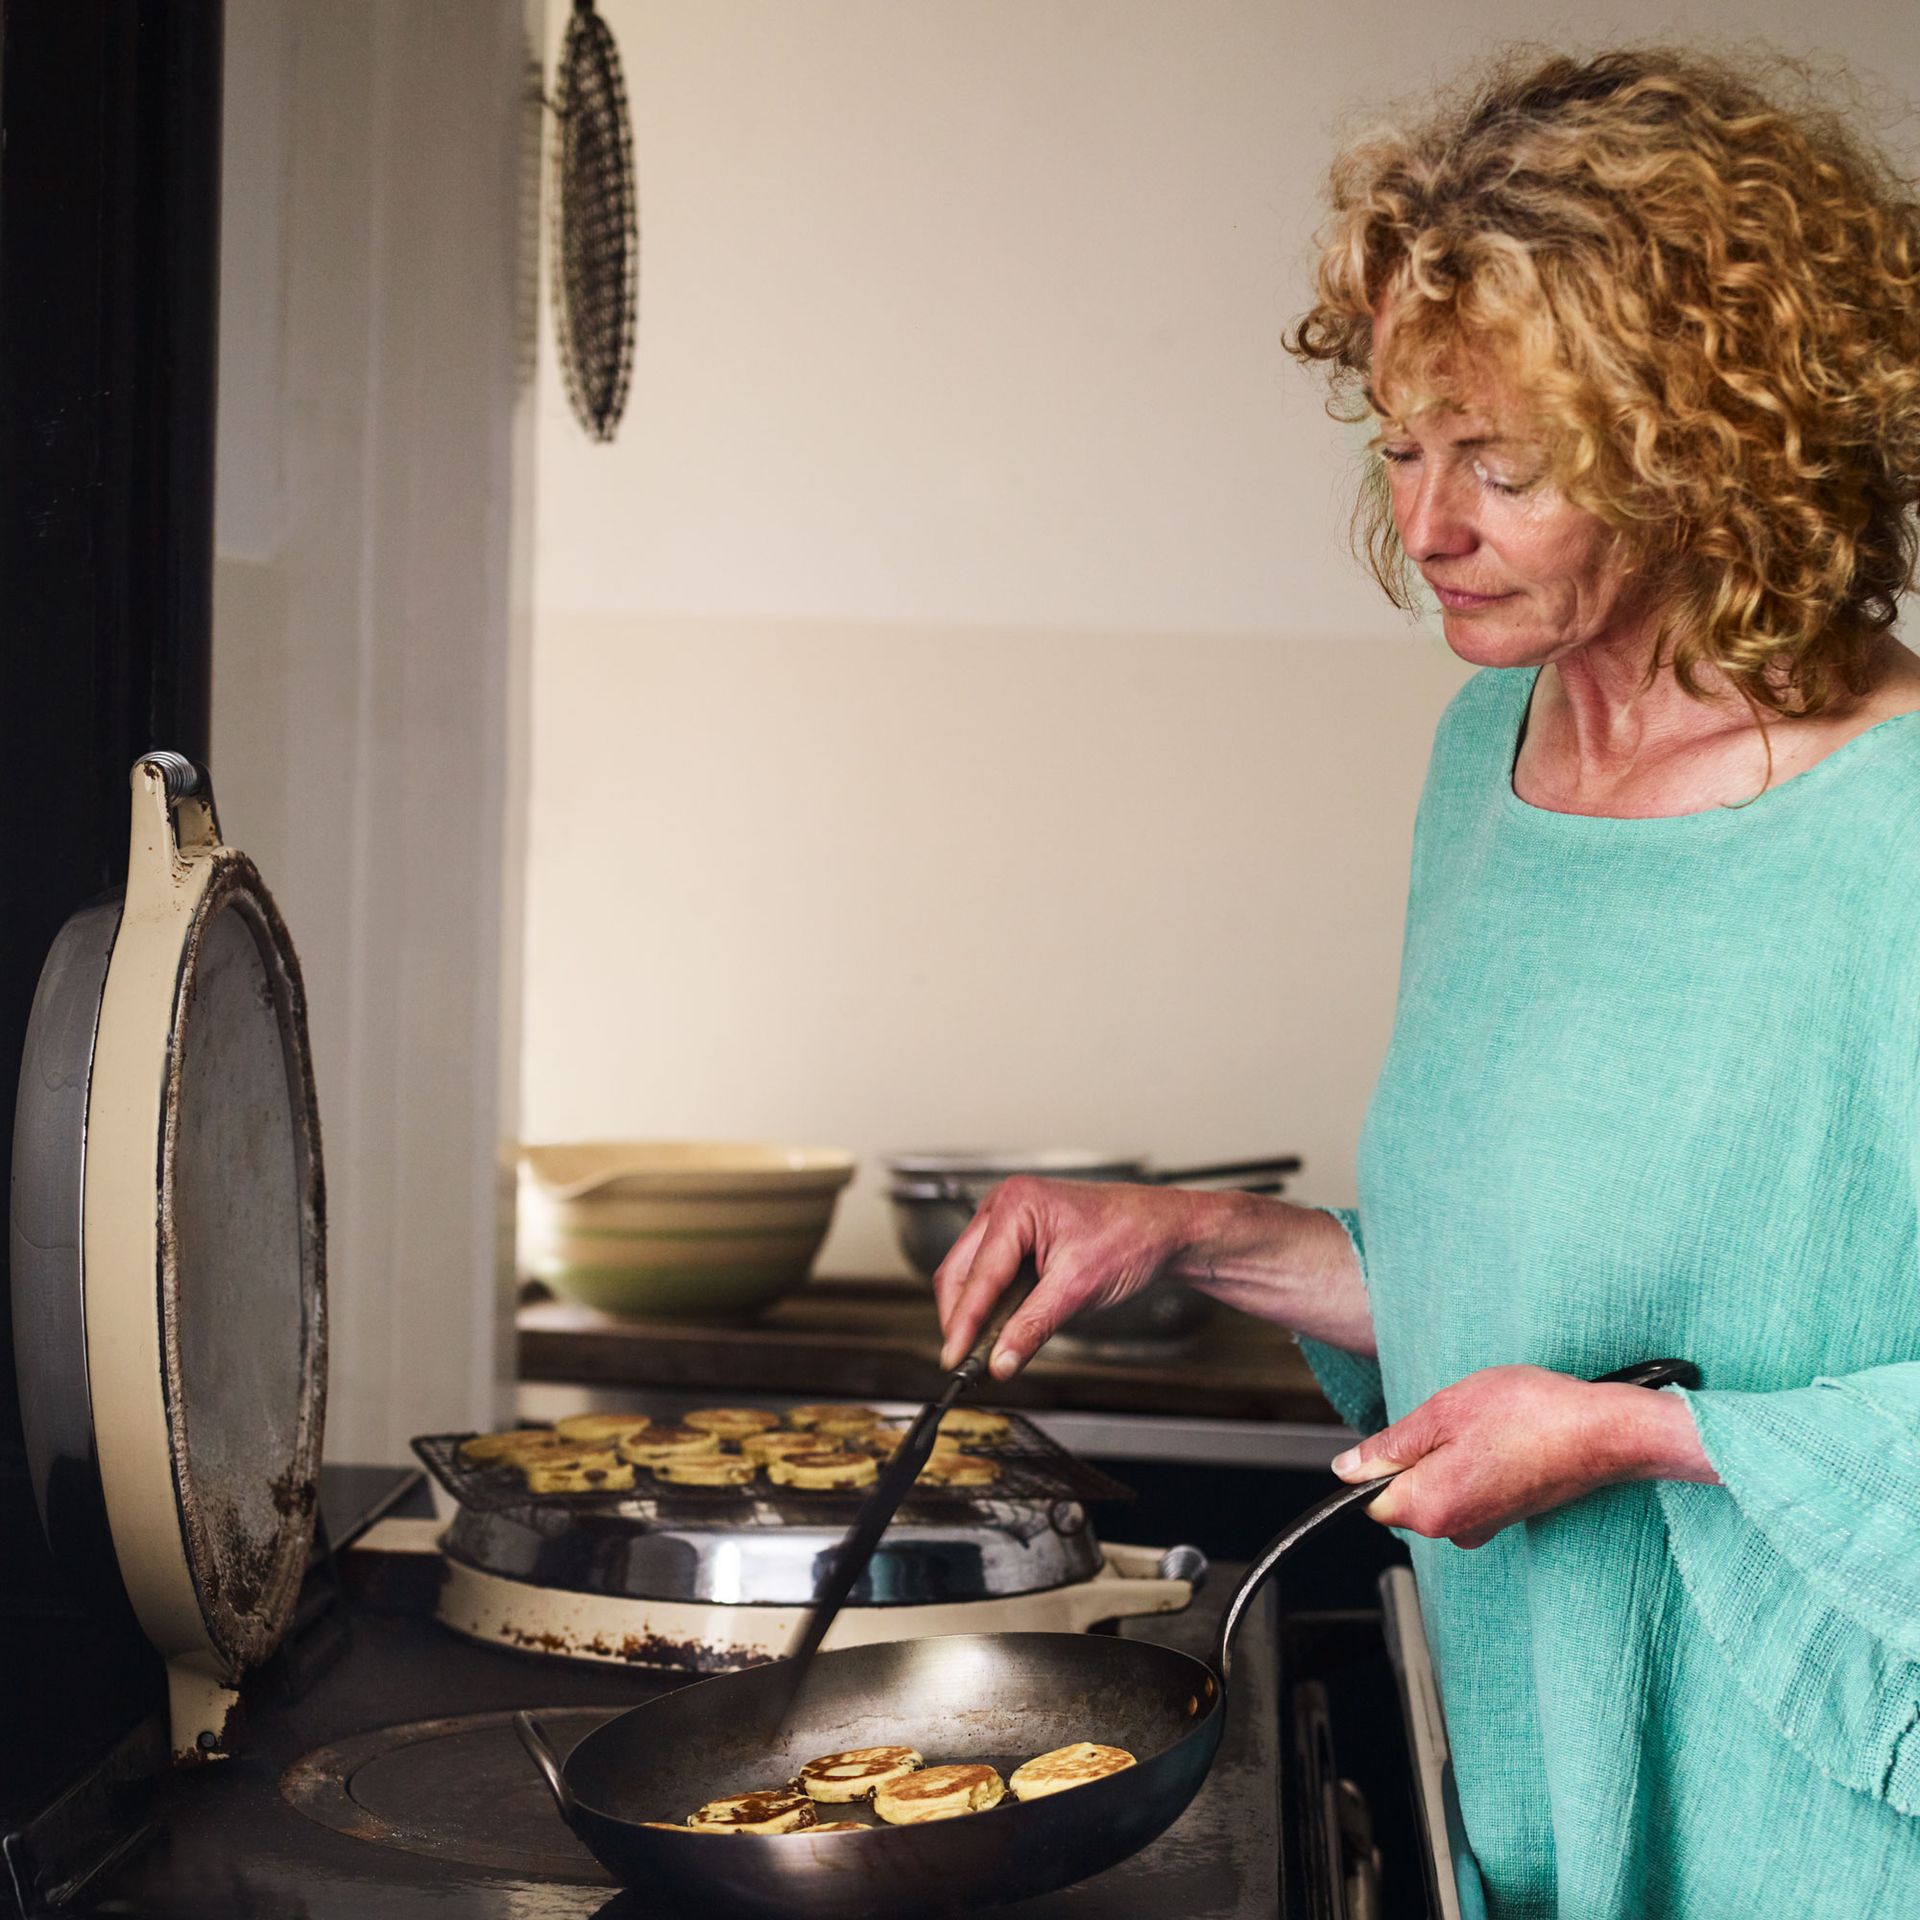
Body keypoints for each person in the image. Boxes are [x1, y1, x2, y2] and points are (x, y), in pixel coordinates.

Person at [933, 46, 1920, 1919]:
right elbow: (1506, 1278)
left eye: (1505, 465)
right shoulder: (1493, 761)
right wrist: (1186, 1235)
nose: (1429, 525)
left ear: (1708, 447)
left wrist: (1646, 1438)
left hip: (1820, 1831)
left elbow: (1642, 1374)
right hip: (1526, 1757)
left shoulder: (1901, 828)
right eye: (1400, 444)